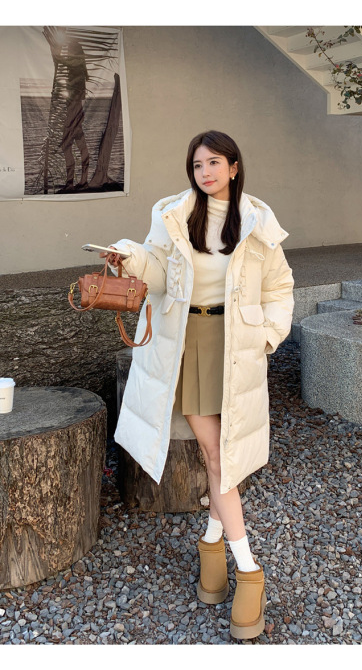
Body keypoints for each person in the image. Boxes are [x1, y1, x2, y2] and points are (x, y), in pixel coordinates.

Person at [104, 130, 294, 640]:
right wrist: (128, 257)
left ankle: (215, 551)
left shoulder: (256, 220)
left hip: (235, 344)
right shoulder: (172, 215)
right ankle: (247, 568)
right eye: (197, 165)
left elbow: (279, 287)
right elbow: (157, 272)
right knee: (216, 455)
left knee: (220, 455)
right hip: (186, 342)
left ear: (234, 166)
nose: (204, 172)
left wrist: (268, 335)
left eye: (213, 163)